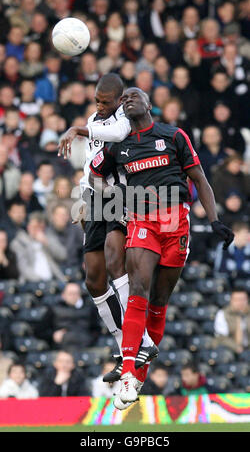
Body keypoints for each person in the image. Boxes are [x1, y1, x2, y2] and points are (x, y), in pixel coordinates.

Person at [88, 87, 234, 408]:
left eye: (133, 95)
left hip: (176, 222)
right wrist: (116, 195)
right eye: (124, 98)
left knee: (159, 301)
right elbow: (94, 174)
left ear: (149, 104)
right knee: (138, 289)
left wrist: (214, 221)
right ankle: (128, 373)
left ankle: (140, 375)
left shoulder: (174, 135)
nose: (127, 99)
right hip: (142, 220)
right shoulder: (118, 146)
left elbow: (200, 179)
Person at [58, 74, 156, 384]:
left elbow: (114, 134)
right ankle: (126, 346)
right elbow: (91, 162)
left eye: (105, 102)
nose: (100, 106)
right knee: (94, 279)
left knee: (116, 263)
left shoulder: (124, 118)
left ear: (118, 100)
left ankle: (140, 342)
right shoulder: (94, 118)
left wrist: (77, 129)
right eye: (97, 100)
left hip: (118, 195)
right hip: (94, 197)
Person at [10, 211, 66, 283]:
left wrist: (47, 243)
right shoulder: (19, 242)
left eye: (41, 227)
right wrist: (40, 281)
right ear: (28, 226)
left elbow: (62, 255)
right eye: (35, 227)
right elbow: (23, 268)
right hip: (31, 282)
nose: (38, 230)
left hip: (53, 280)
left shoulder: (48, 238)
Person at [51, 282, 100, 350]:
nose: (73, 296)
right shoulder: (54, 309)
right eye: (70, 294)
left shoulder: (89, 308)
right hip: (62, 348)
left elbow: (96, 328)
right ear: (63, 295)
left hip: (85, 346)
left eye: (76, 293)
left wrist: (90, 339)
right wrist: (52, 335)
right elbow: (40, 330)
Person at [214, 289, 250, 354]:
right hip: (230, 349)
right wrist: (236, 347)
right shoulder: (223, 313)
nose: (240, 302)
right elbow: (221, 337)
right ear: (231, 301)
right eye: (237, 300)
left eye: (243, 299)